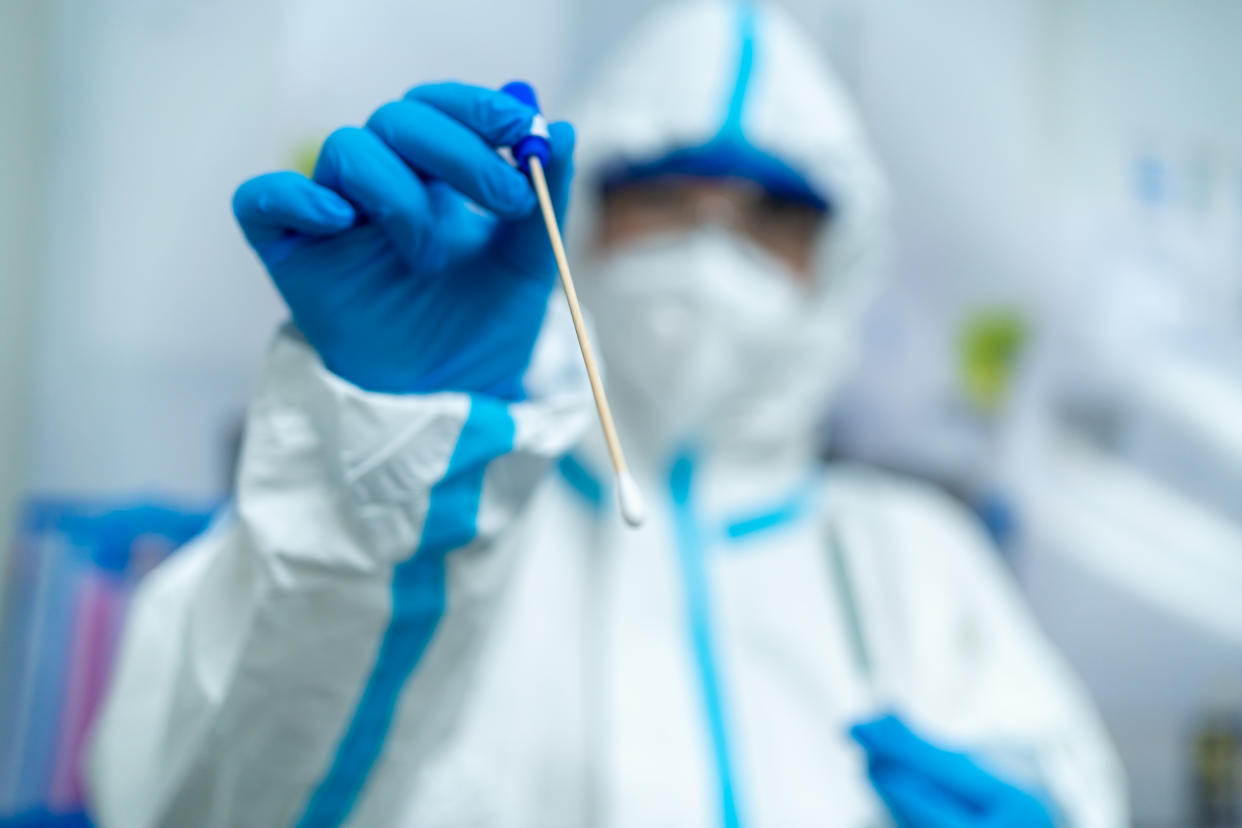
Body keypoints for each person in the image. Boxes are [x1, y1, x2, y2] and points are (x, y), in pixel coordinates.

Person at [86, 2, 1127, 825]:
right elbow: (184, 804)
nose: (714, 252)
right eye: (666, 199)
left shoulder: (913, 560)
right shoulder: (425, 509)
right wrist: (390, 464)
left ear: (836, 267)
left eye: (773, 215)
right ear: (581, 218)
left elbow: (1071, 784)